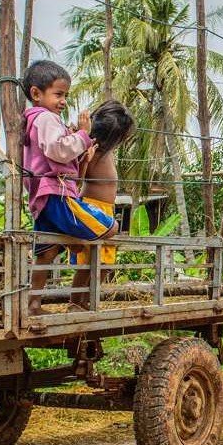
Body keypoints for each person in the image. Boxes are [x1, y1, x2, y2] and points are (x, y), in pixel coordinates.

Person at [21, 59, 117, 313]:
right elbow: (58, 150)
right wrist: (82, 135)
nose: (63, 101)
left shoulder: (35, 120)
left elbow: (54, 152)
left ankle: (33, 304)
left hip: (44, 197)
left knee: (46, 253)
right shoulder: (46, 118)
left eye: (65, 95)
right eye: (58, 94)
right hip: (57, 195)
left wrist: (75, 141)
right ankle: (77, 296)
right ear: (36, 94)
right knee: (111, 227)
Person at [70, 100, 136, 308]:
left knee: (105, 262)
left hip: (106, 210)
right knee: (87, 262)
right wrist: (85, 158)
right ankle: (75, 302)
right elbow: (77, 179)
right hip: (91, 208)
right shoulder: (90, 149)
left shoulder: (108, 152)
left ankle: (88, 300)